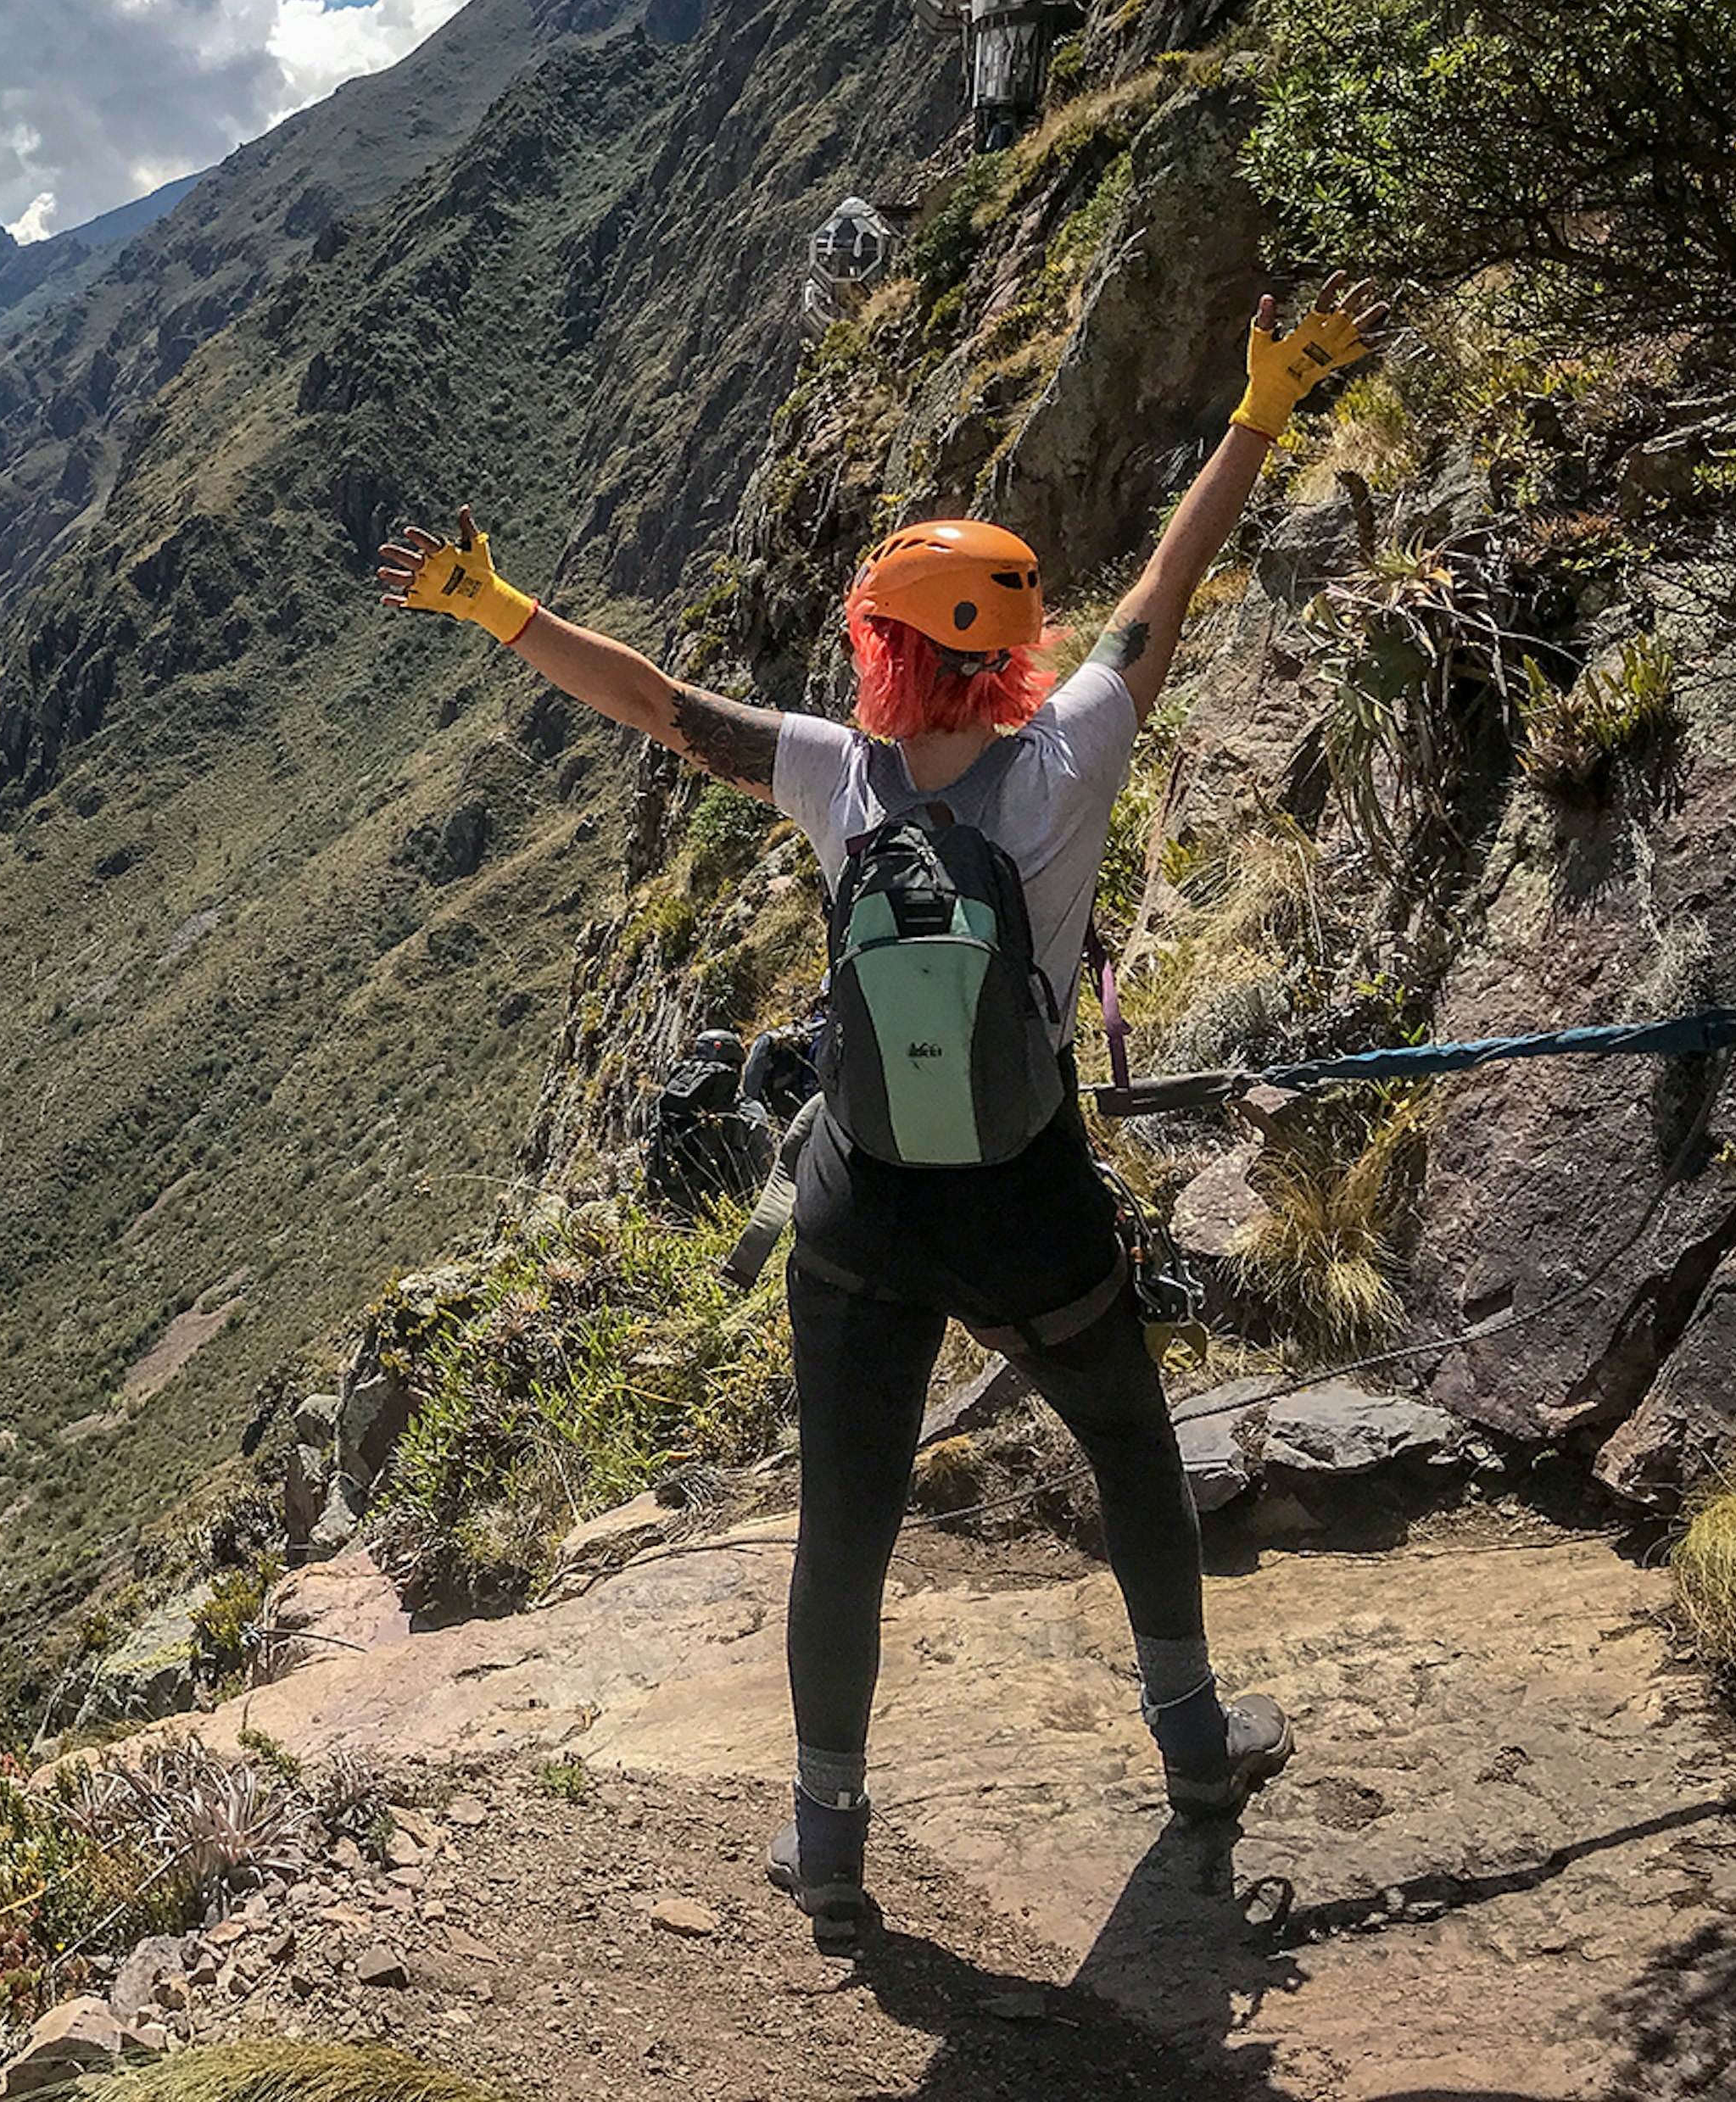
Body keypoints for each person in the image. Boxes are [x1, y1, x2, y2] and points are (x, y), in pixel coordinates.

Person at [379, 279, 1381, 1942]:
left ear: (886, 650)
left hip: (858, 1210)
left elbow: (657, 704)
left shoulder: (837, 777)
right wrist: (1261, 407)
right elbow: (1164, 594)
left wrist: (499, 606)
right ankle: (1194, 1740)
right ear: (1007, 648)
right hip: (1027, 1195)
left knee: (845, 1520)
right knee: (1131, 1444)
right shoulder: (1068, 758)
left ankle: (828, 1839)